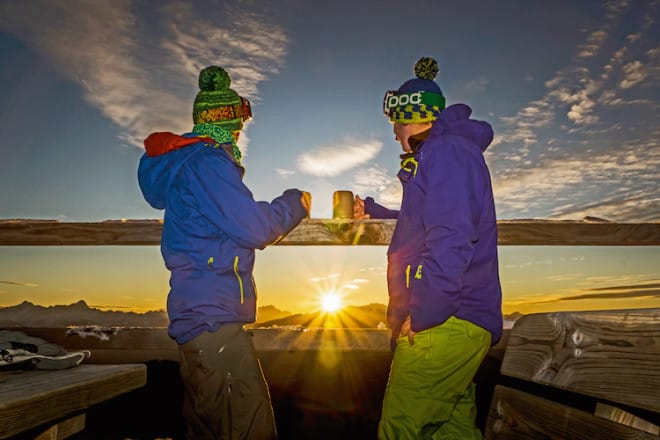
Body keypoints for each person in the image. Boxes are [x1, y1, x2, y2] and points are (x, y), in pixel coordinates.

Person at [137, 65, 309, 440]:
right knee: (248, 427)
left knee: (210, 425)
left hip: (199, 322)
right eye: (239, 124)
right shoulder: (208, 164)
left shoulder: (191, 164)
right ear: (230, 124)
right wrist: (295, 202)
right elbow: (256, 227)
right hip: (215, 326)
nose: (240, 134)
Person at [354, 57, 503, 439]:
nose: (393, 135)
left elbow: (451, 238)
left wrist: (424, 312)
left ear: (408, 121)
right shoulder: (442, 156)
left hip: (446, 319)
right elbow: (426, 221)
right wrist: (375, 214)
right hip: (459, 320)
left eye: (395, 125)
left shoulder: (447, 153)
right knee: (449, 431)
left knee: (399, 429)